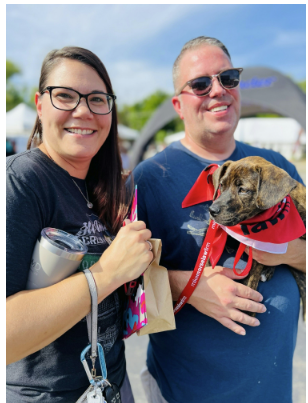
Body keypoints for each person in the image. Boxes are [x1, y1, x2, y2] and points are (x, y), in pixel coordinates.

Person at [133, 37, 306, 403]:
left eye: (228, 78)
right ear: (178, 105)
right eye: (200, 84)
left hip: (274, 393)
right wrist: (190, 287)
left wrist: (288, 252)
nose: (218, 91)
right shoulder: (150, 179)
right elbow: (120, 289)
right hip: (184, 392)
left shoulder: (276, 169)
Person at [6, 46, 153, 403]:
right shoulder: (19, 181)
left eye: (97, 99)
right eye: (65, 96)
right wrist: (107, 273)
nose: (84, 110)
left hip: (112, 385)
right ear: (40, 106)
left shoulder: (105, 186)